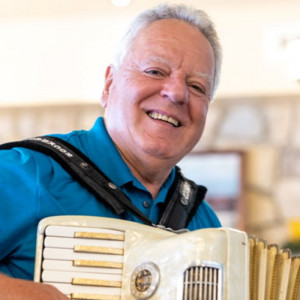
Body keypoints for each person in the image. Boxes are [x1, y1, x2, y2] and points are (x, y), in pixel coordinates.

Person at [0, 3, 222, 299]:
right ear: (109, 84)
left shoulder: (204, 225)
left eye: (196, 86)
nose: (177, 93)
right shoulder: (24, 173)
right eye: (155, 71)